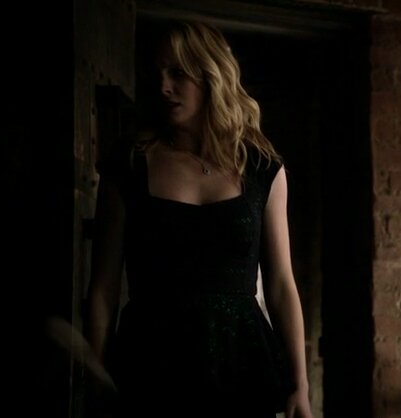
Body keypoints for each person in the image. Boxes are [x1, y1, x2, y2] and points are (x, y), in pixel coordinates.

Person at [85, 19, 313, 418]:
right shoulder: (129, 164)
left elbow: (280, 285)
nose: (163, 87)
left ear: (211, 77)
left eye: (178, 73)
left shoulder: (262, 169)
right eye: (157, 73)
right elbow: (103, 288)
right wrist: (96, 376)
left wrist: (300, 385)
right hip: (150, 365)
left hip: (239, 366)